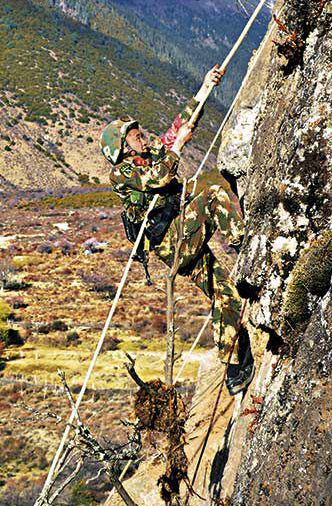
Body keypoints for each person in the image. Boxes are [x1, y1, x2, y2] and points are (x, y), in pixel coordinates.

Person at [99, 66, 254, 395]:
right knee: (213, 196)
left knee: (226, 293)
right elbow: (159, 178)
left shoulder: (151, 153)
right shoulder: (122, 174)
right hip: (173, 241)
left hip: (182, 237)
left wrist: (204, 89)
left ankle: (233, 365)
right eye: (135, 136)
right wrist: (177, 147)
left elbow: (181, 125)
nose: (142, 137)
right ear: (124, 148)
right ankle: (245, 243)